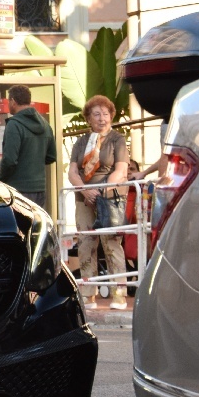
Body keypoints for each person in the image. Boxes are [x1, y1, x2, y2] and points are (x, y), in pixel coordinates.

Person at [67, 95, 131, 310]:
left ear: (111, 116)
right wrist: (84, 190)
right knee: (86, 244)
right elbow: (73, 171)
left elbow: (121, 170)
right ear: (89, 118)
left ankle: (119, 294)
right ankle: (88, 294)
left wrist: (104, 189)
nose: (101, 118)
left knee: (111, 243)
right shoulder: (82, 142)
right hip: (84, 198)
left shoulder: (117, 139)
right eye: (96, 114)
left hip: (110, 198)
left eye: (105, 114)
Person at [0, 85, 57, 207]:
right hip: (40, 188)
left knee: (19, 225)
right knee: (36, 224)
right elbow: (51, 156)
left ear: (13, 101)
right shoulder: (45, 124)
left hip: (17, 188)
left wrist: (0, 180)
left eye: (9, 101)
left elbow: (9, 160)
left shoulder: (14, 125)